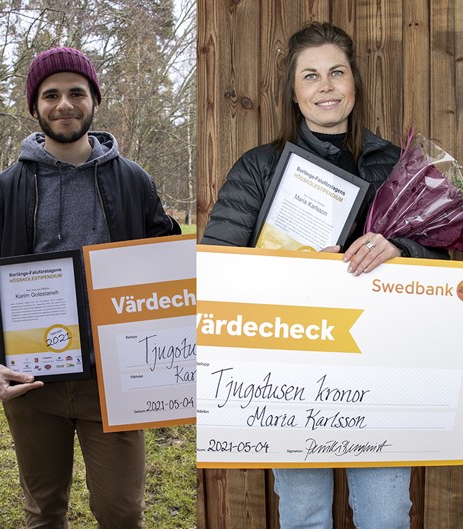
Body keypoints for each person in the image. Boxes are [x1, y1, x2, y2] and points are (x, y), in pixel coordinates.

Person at [202, 22, 447, 529]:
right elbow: (216, 263)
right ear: (294, 92)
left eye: (336, 72)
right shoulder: (260, 168)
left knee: (387, 515)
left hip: (382, 372)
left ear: (354, 81)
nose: (326, 86)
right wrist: (292, 267)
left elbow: (445, 264)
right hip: (292, 374)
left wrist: (400, 248)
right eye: (310, 76)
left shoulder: (400, 167)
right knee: (303, 514)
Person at [0, 46, 180, 528]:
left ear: (93, 99)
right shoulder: (2, 192)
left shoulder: (134, 182)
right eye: (50, 94)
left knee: (121, 512)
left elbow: (165, 269)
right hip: (32, 381)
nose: (64, 104)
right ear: (34, 106)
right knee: (43, 510)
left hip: (114, 381)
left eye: (76, 92)